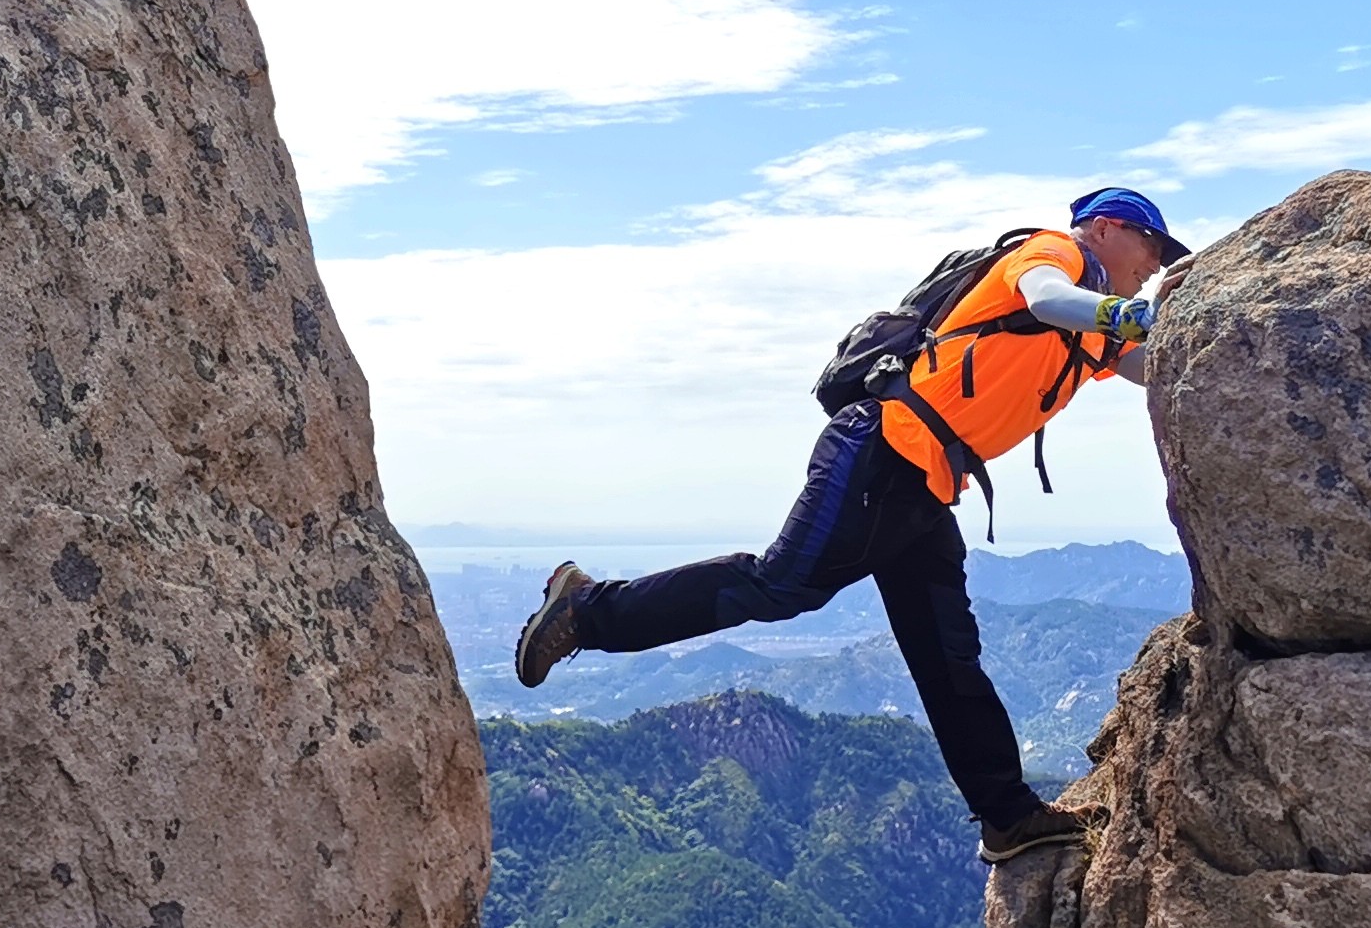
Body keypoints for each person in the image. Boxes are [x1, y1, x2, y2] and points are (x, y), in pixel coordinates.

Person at [510, 187, 1192, 864]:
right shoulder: (1054, 254)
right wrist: (1127, 313)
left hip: (924, 485)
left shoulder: (1091, 330)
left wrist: (1186, 332)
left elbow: (1143, 361)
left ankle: (1008, 817)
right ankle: (585, 611)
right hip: (880, 451)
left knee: (946, 655)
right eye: (1153, 247)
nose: (1157, 265)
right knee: (780, 586)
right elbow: (1046, 295)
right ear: (1104, 229)